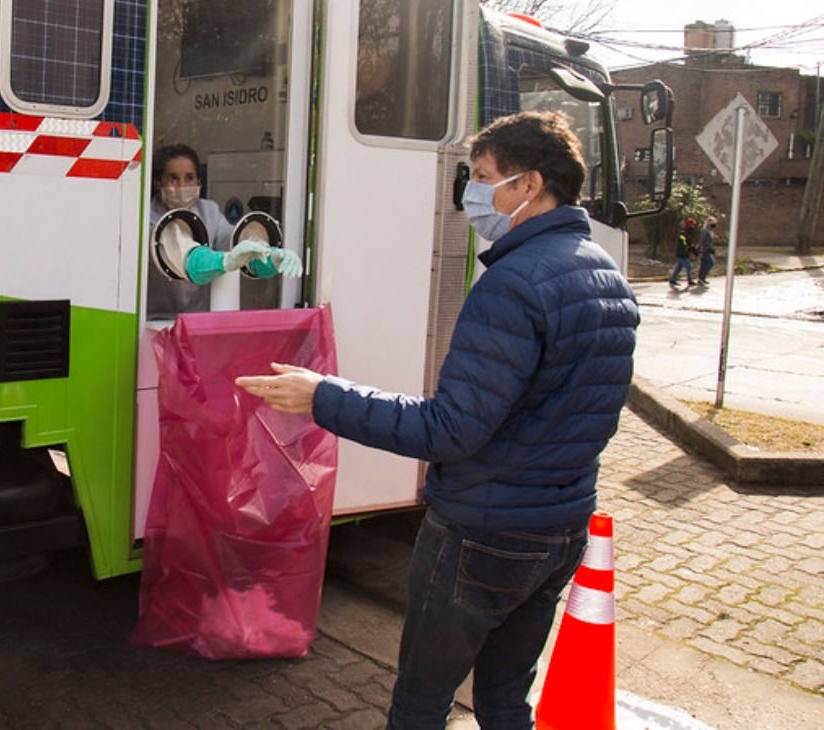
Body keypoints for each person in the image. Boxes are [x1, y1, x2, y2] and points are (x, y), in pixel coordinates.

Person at [236, 111, 639, 729]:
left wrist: (322, 396)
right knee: (505, 700)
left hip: (484, 530)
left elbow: (449, 430)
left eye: (482, 178)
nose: (471, 195)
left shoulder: (513, 283)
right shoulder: (605, 275)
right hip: (561, 529)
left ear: (528, 185)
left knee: (423, 702)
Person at [147, 144, 301, 318]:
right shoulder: (148, 218)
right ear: (158, 182)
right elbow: (179, 250)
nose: (182, 185)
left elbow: (233, 239)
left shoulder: (209, 211)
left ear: (199, 181)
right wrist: (225, 261)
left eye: (189, 178)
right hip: (158, 320)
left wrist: (269, 255)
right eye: (173, 178)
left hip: (198, 319)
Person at [669, 217, 697, 288]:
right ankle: (690, 281)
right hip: (682, 254)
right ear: (688, 225)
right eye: (692, 225)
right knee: (689, 266)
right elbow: (685, 243)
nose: (693, 226)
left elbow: (690, 244)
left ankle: (672, 279)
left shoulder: (689, 233)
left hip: (684, 254)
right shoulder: (683, 233)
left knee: (679, 267)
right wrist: (690, 248)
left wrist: (693, 250)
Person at [696, 216, 718, 285]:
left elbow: (711, 239)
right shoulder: (704, 230)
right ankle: (702, 277)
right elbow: (701, 241)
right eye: (712, 223)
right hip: (705, 250)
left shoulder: (711, 231)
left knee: (704, 264)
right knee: (711, 262)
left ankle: (701, 279)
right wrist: (700, 251)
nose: (714, 225)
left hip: (709, 249)